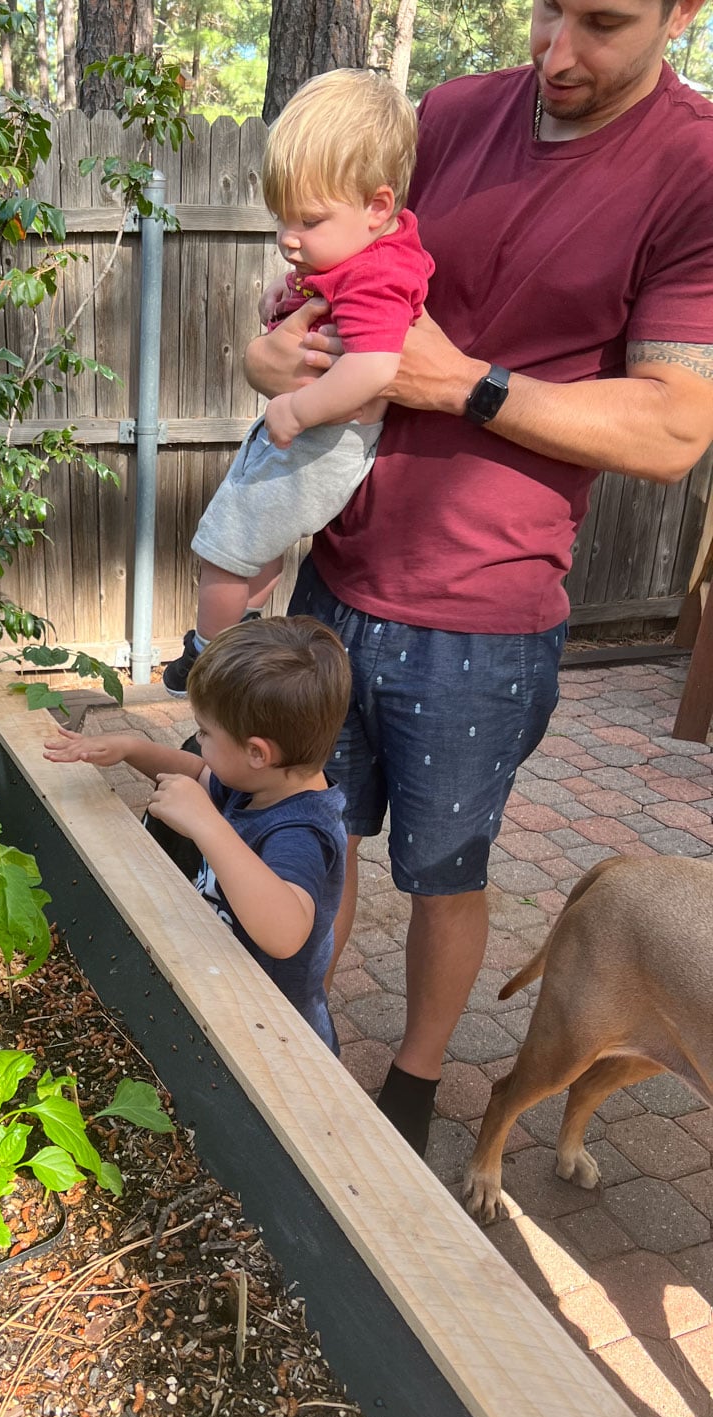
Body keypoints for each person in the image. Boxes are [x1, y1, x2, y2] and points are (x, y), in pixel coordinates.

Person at [244, 0, 713, 1156]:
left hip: (486, 623)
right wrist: (267, 352)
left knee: (446, 874)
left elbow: (674, 429)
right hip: (340, 574)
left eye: (600, 22)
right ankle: (295, 1034)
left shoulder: (694, 170)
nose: (554, 52)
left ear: (684, 13)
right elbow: (319, 287)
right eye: (546, 6)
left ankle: (413, 1084)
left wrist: (465, 384)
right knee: (316, 830)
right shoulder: (447, 116)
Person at [161, 69, 433, 697]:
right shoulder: (364, 254)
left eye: (307, 221)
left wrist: (301, 410)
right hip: (319, 438)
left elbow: (374, 367)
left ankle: (208, 658)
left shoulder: (374, 277)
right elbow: (326, 300)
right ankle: (244, 627)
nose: (289, 237)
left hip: (321, 440)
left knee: (224, 551)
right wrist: (284, 294)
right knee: (256, 549)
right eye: (282, 217)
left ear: (378, 206)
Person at [45, 617, 351, 1053]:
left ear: (257, 752)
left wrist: (207, 824)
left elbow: (285, 933)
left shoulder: (300, 831)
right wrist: (132, 748)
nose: (197, 741)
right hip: (227, 997)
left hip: (275, 1035)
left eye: (205, 732)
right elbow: (201, 772)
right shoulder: (260, 781)